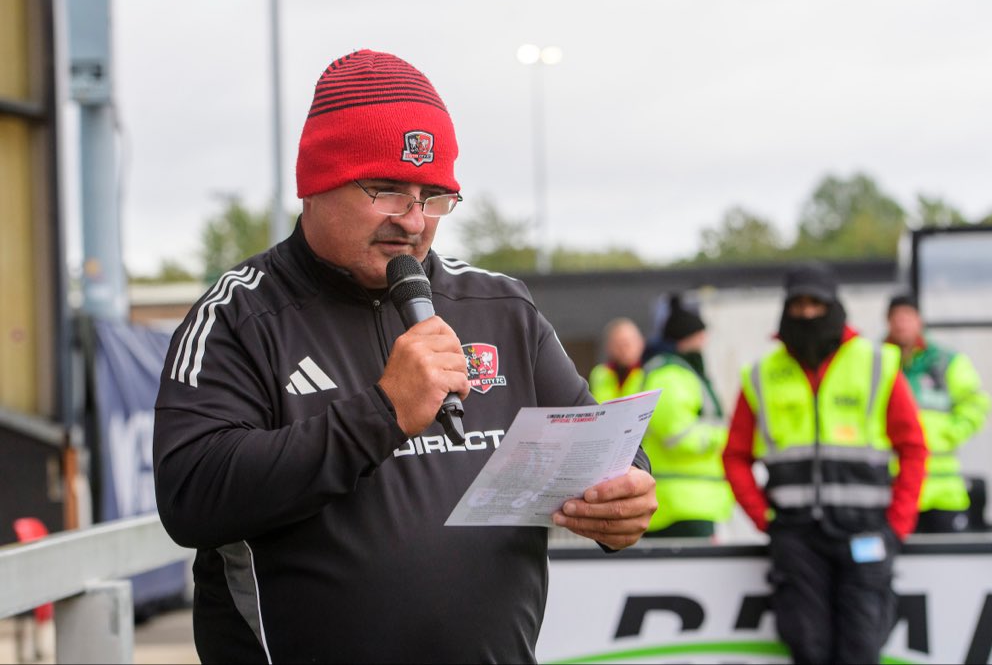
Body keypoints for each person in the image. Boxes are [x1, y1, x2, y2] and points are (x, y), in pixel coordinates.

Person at [152, 50, 656, 664]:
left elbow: (600, 443)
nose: (414, 221)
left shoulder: (500, 307)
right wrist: (383, 412)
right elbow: (192, 496)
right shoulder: (239, 316)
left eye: (435, 196)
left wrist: (626, 492)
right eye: (387, 191)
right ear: (316, 183)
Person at [722, 261, 927, 664]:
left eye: (817, 303)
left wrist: (897, 524)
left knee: (862, 648)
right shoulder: (763, 373)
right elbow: (735, 456)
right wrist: (766, 519)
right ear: (785, 309)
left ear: (835, 306)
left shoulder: (875, 363)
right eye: (798, 305)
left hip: (867, 533)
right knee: (807, 648)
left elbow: (914, 449)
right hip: (796, 537)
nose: (808, 313)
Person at [885, 293, 992, 533]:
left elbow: (976, 402)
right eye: (896, 317)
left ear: (919, 320)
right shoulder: (876, 362)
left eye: (908, 316)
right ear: (888, 322)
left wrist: (950, 433)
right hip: (894, 490)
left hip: (943, 490)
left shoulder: (945, 362)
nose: (902, 323)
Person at [639, 295, 734, 538]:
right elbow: (677, 436)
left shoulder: (681, 373)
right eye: (700, 334)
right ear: (687, 337)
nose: (705, 340)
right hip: (680, 506)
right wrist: (723, 436)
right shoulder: (671, 375)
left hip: (691, 503)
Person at [588, 317, 645, 402]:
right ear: (608, 347)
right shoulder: (600, 373)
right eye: (618, 344)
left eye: (627, 343)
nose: (623, 350)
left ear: (641, 343)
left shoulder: (651, 373)